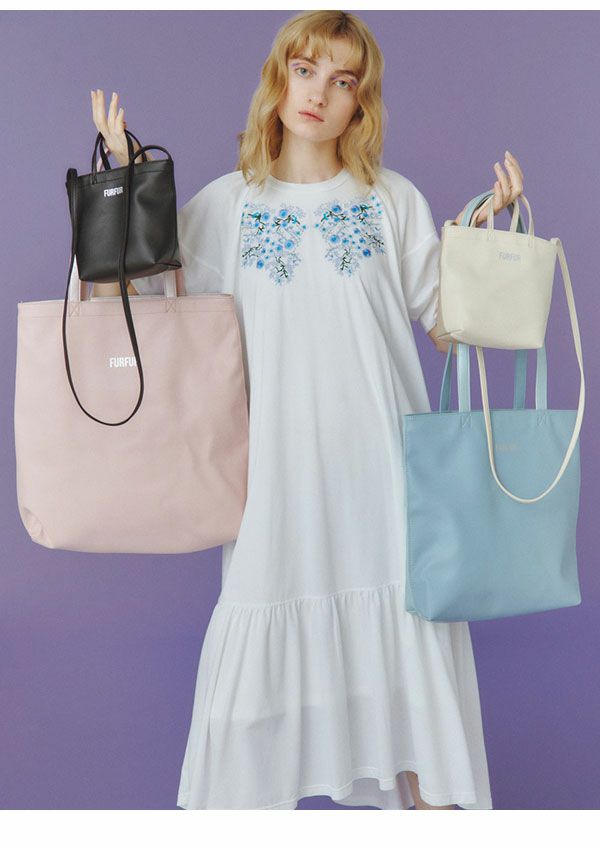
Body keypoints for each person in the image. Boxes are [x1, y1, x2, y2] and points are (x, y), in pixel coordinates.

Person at [90, 10, 523, 810]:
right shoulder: (227, 206)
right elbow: (150, 301)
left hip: (390, 487)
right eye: (305, 70)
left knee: (418, 715)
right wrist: (125, 182)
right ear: (278, 78)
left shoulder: (391, 201)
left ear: (361, 102)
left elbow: (449, 328)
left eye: (342, 79)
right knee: (251, 719)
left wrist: (491, 245)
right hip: (276, 486)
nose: (318, 92)